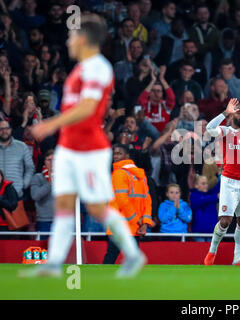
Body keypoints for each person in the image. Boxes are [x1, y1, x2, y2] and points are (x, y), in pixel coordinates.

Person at [24, 14, 146, 278]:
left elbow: (89, 107)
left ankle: (134, 255)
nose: (68, 41)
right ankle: (54, 264)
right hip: (68, 146)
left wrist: (51, 124)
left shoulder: (98, 67)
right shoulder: (80, 68)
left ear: (82, 38)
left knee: (97, 207)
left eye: (71, 36)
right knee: (64, 204)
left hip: (90, 147)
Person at [203, 98, 240, 266]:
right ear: (233, 115)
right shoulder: (226, 131)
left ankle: (237, 259)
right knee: (225, 221)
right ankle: (212, 252)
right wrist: (225, 112)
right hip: (230, 181)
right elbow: (209, 128)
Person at [103, 144, 155, 264]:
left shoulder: (119, 174)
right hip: (135, 226)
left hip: (120, 224)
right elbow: (147, 200)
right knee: (133, 259)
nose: (116, 156)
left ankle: (103, 281)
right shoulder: (141, 175)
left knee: (110, 257)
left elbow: (122, 200)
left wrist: (137, 221)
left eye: (119, 153)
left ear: (127, 156)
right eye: (114, 154)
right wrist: (144, 222)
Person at [0, 120, 35, 200]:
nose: (4, 131)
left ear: (11, 129)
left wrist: (24, 184)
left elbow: (30, 168)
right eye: (1, 129)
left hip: (17, 194)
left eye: (7, 128)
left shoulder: (22, 146)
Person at [30, 149, 54, 239]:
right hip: (44, 220)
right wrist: (50, 183)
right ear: (44, 162)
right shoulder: (37, 177)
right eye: (49, 160)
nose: (52, 163)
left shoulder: (65, 177)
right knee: (43, 250)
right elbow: (35, 196)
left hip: (62, 220)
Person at [189, 175, 220, 241]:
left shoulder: (211, 194)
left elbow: (221, 184)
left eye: (206, 183)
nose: (206, 185)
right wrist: (215, 197)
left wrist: (223, 174)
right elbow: (199, 201)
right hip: (198, 233)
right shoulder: (193, 195)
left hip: (212, 232)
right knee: (199, 251)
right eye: (203, 183)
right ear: (196, 185)